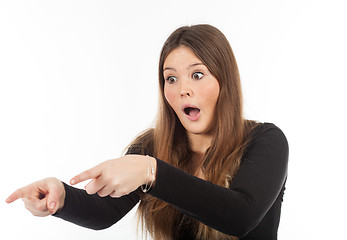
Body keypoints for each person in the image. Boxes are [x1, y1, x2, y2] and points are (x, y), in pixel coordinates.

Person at [6, 24, 288, 240]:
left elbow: (240, 216)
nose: (182, 89)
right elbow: (105, 212)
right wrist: (61, 198)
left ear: (224, 81)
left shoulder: (265, 141)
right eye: (171, 78)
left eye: (197, 74)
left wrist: (151, 172)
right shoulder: (150, 147)